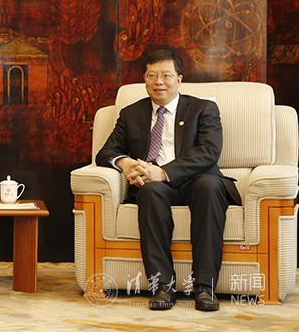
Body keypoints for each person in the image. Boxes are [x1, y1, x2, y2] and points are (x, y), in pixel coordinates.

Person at [96, 49, 241, 311]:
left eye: (166, 75)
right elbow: (106, 153)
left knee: (209, 187)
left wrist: (163, 172)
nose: (159, 82)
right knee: (149, 191)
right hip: (156, 186)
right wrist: (126, 163)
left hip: (198, 180)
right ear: (145, 79)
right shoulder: (131, 113)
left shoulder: (203, 108)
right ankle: (162, 287)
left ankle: (205, 287)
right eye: (152, 75)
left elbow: (209, 151)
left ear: (179, 79)